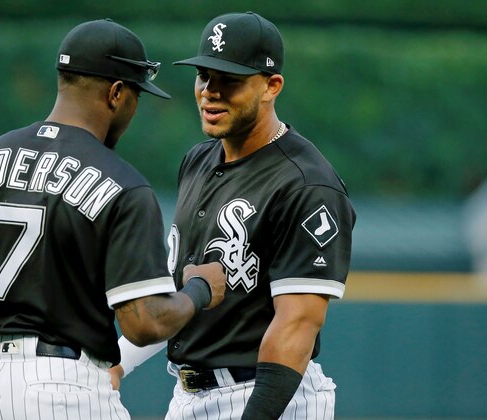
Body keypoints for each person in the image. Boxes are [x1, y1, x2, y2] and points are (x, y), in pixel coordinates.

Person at [0, 18, 226, 420]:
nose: (135, 107)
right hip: (65, 388)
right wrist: (198, 290)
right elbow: (143, 322)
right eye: (137, 94)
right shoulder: (121, 184)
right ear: (117, 93)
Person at [112, 11, 356, 419]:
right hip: (189, 394)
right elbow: (180, 293)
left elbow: (297, 328)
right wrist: (117, 364)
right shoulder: (198, 160)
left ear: (271, 86)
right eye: (204, 76)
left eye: (230, 80)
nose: (211, 92)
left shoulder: (307, 184)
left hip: (269, 395)